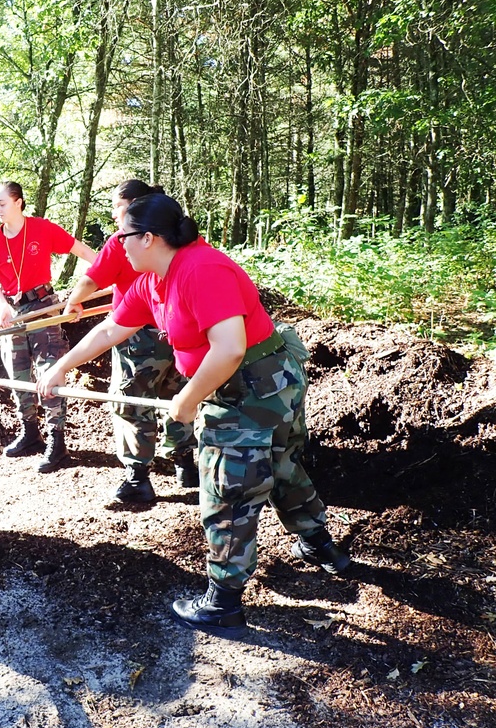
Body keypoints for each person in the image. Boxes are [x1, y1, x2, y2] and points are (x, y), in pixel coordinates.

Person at [37, 193, 349, 637]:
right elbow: (110, 329)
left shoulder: (201, 269)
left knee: (227, 484)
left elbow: (230, 347)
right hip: (248, 381)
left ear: (148, 238)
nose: (116, 245)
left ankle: (223, 602)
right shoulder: (152, 280)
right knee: (279, 465)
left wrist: (187, 399)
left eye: (122, 236)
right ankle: (322, 546)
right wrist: (61, 366)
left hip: (256, 382)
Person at [63, 180, 197, 503]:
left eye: (117, 206)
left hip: (135, 336)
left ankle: (138, 476)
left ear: (137, 206)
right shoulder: (171, 235)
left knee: (131, 401)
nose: (113, 215)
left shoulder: (123, 240)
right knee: (174, 393)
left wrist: (73, 302)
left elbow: (91, 279)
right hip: (173, 331)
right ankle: (185, 464)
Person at [0, 181, 97, 472]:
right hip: (13, 314)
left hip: (44, 309)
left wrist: (101, 278)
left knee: (50, 370)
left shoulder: (42, 229)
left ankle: (57, 442)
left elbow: (82, 251)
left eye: (2, 203)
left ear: (18, 202)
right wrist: (1, 304)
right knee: (16, 371)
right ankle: (30, 432)